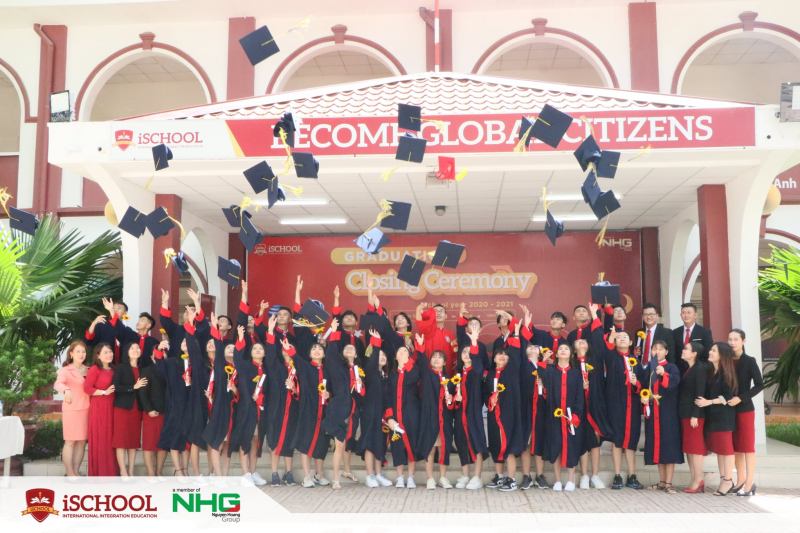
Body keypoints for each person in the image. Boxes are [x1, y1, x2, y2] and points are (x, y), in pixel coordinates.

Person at [591, 318, 643, 490]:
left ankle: (632, 475)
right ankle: (618, 475)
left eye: (625, 337)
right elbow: (605, 347)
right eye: (619, 338)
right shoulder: (610, 356)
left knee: (631, 441)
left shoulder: (636, 361)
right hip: (615, 404)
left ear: (631, 342)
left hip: (632, 405)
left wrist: (636, 383)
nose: (622, 339)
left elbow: (642, 385)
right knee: (617, 440)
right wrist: (611, 336)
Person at [637, 340, 682, 493]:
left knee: (668, 446)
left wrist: (664, 374)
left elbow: (673, 384)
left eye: (660, 349)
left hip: (668, 411)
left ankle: (669, 483)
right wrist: (644, 397)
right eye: (654, 349)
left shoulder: (671, 367)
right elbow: (644, 387)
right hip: (653, 411)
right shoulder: (649, 368)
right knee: (658, 446)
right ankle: (662, 481)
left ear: (666, 352)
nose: (657, 352)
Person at [575, 308, 612, 490]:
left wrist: (595, 315)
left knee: (595, 440)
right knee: (582, 441)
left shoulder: (595, 359)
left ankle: (595, 475)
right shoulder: (571, 364)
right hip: (578, 406)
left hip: (595, 404)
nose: (582, 342)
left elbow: (598, 338)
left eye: (584, 341)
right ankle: (584, 475)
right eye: (578, 341)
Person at [695, 342, 738, 496]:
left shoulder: (726, 373)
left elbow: (728, 397)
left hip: (724, 417)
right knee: (720, 451)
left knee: (726, 450)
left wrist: (709, 402)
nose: (710, 352)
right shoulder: (712, 372)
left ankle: (728, 479)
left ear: (722, 355)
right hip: (713, 417)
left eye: (714, 350)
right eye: (711, 349)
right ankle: (723, 479)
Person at [486, 319, 524, 492]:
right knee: (496, 445)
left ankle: (511, 479)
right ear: (493, 358)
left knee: (508, 446)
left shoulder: (512, 371)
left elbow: (515, 353)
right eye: (498, 354)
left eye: (504, 355)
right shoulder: (490, 375)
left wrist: (515, 333)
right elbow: (484, 394)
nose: (501, 356)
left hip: (508, 414)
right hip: (493, 415)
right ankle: (500, 477)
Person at [263, 313, 300, 486]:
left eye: (289, 347)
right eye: (284, 347)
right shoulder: (276, 366)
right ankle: (274, 473)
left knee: (289, 440)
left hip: (292, 407)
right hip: (277, 406)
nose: (286, 349)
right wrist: (271, 331)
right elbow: (270, 355)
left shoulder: (298, 369)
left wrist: (294, 389)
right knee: (275, 439)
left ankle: (289, 473)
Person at [541, 343, 584, 492]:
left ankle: (571, 480)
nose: (563, 351)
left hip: (571, 416)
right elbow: (542, 378)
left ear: (571, 354)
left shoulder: (576, 373)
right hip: (554, 415)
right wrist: (543, 360)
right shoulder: (550, 371)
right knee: (555, 446)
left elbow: (579, 396)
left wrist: (576, 415)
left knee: (572, 446)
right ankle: (558, 480)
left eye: (566, 349)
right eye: (560, 349)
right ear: (556, 354)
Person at [231, 324, 269, 486]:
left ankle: (253, 472)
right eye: (255, 349)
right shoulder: (246, 366)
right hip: (246, 408)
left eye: (261, 349)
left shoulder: (267, 369)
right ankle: (245, 473)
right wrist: (240, 339)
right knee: (245, 439)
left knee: (256, 441)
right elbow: (237, 359)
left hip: (261, 410)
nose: (258, 350)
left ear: (265, 353)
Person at [728, 329, 764, 496]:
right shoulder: (726, 360)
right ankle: (740, 479)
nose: (732, 342)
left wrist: (741, 398)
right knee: (736, 447)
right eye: (730, 339)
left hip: (745, 409)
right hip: (728, 409)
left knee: (747, 447)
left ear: (743, 341)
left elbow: (759, 385)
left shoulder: (749, 361)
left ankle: (749, 483)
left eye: (736, 339)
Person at [452, 324, 488, 490]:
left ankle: (477, 477)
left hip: (473, 412)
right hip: (460, 413)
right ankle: (465, 475)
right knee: (461, 442)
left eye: (469, 352)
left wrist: (474, 341)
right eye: (464, 352)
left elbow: (479, 367)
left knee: (477, 442)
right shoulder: (458, 374)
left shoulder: (476, 370)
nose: (466, 354)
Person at [384, 336, 422, 489]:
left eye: (405, 351)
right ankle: (400, 477)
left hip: (412, 415)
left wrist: (411, 359)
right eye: (399, 351)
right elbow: (387, 396)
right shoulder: (391, 373)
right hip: (395, 416)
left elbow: (419, 375)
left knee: (412, 444)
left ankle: (411, 477)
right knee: (397, 445)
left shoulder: (414, 371)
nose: (402, 352)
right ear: (395, 356)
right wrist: (389, 418)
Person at [203, 315, 238, 479]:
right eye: (227, 348)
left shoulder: (241, 368)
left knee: (228, 444)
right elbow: (218, 343)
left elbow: (244, 391)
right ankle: (217, 475)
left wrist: (235, 389)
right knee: (216, 441)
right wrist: (215, 328)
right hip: (220, 407)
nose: (230, 349)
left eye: (233, 348)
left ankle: (224, 476)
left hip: (235, 409)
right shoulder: (220, 365)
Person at [416, 348, 456, 490]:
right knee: (430, 448)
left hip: (444, 419)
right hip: (429, 417)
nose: (436, 359)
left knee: (443, 448)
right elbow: (421, 362)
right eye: (434, 357)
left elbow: (451, 405)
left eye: (440, 357)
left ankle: (443, 478)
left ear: (444, 362)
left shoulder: (449, 381)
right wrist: (421, 349)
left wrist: (450, 399)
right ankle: (430, 478)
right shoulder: (426, 374)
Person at [359, 328, 393, 488]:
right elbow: (372, 361)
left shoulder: (386, 376)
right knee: (369, 443)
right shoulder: (370, 372)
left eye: (384, 356)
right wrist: (376, 344)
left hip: (382, 414)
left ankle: (379, 474)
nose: (382, 358)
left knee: (380, 443)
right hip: (370, 412)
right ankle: (370, 475)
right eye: (379, 356)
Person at [152, 338, 190, 477]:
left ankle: (185, 470)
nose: (185, 343)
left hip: (191, 404)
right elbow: (160, 368)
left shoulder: (197, 362)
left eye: (188, 341)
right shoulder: (172, 362)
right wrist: (158, 350)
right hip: (175, 404)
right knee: (174, 435)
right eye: (183, 341)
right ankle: (178, 470)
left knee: (187, 439)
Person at [54, 340, 90, 478]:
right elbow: (58, 384)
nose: (81, 354)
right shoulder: (66, 370)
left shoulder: (89, 370)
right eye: (78, 351)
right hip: (72, 410)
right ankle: (69, 473)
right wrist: (66, 389)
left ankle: (76, 471)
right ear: (71, 354)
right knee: (70, 442)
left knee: (81, 442)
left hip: (86, 409)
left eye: (83, 351)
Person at [112, 342, 148, 476]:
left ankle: (131, 471)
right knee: (121, 440)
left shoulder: (143, 369)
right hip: (122, 409)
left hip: (137, 409)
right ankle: (123, 471)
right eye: (132, 348)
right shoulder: (121, 368)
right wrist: (133, 387)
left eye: (137, 348)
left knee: (133, 441)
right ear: (126, 352)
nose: (135, 350)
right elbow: (116, 387)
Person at [83, 343, 118, 476]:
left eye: (110, 352)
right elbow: (87, 388)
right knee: (102, 439)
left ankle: (112, 472)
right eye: (105, 352)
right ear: (98, 355)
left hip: (113, 407)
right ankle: (101, 473)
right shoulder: (94, 369)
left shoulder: (115, 369)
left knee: (111, 440)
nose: (109, 354)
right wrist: (104, 392)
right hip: (99, 407)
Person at [678, 341, 708, 493]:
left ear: (694, 353)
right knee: (689, 448)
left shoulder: (700, 369)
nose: (683, 350)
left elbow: (700, 393)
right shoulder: (688, 368)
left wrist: (695, 414)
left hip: (695, 415)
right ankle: (694, 478)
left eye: (686, 349)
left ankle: (699, 479)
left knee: (696, 449)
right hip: (686, 413)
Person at [138, 340, 168, 477]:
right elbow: (142, 392)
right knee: (149, 445)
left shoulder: (169, 370)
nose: (162, 354)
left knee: (163, 445)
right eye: (159, 351)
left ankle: (159, 471)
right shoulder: (147, 370)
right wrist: (149, 409)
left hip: (166, 413)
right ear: (152, 356)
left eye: (164, 352)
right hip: (151, 413)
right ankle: (150, 473)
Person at [415, 302, 458, 375]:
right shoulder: (426, 330)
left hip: (447, 374)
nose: (438, 313)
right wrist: (418, 309)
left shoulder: (451, 334)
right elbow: (419, 321)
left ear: (446, 316)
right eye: (435, 311)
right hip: (428, 374)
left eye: (441, 311)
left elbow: (454, 354)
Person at [672, 303, 713, 368]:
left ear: (695, 315)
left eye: (689, 313)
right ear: (680, 315)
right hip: (679, 370)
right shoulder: (675, 332)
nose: (686, 315)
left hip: (698, 368)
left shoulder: (705, 332)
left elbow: (708, 352)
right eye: (683, 313)